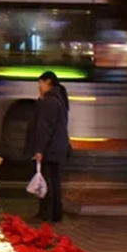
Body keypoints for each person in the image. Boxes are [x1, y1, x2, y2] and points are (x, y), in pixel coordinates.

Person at [25, 70, 71, 222]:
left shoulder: (49, 102)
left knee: (47, 181)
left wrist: (39, 149)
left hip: (49, 149)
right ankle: (55, 214)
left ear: (48, 82)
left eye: (41, 83)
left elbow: (44, 127)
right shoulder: (58, 99)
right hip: (57, 147)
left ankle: (46, 214)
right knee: (55, 181)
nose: (39, 86)